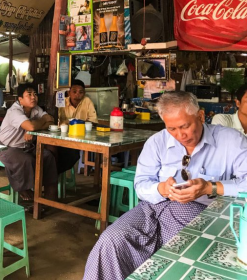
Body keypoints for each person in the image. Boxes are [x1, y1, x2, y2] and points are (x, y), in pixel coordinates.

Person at [83, 91, 247, 279]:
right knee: (111, 240)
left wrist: (210, 187)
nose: (180, 135)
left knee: (180, 255)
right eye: (172, 129)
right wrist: (161, 188)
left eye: (185, 126)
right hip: (153, 208)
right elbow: (142, 184)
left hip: (200, 213)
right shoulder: (157, 142)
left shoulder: (232, 141)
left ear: (201, 116)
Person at [0, 83, 61, 202]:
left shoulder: (35, 109)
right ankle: (23, 188)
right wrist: (34, 126)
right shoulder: (14, 112)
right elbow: (32, 125)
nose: (33, 97)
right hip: (6, 148)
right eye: (29, 95)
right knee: (26, 160)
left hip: (26, 146)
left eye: (35, 94)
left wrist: (33, 128)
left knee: (48, 156)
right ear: (20, 99)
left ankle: (49, 191)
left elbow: (51, 121)